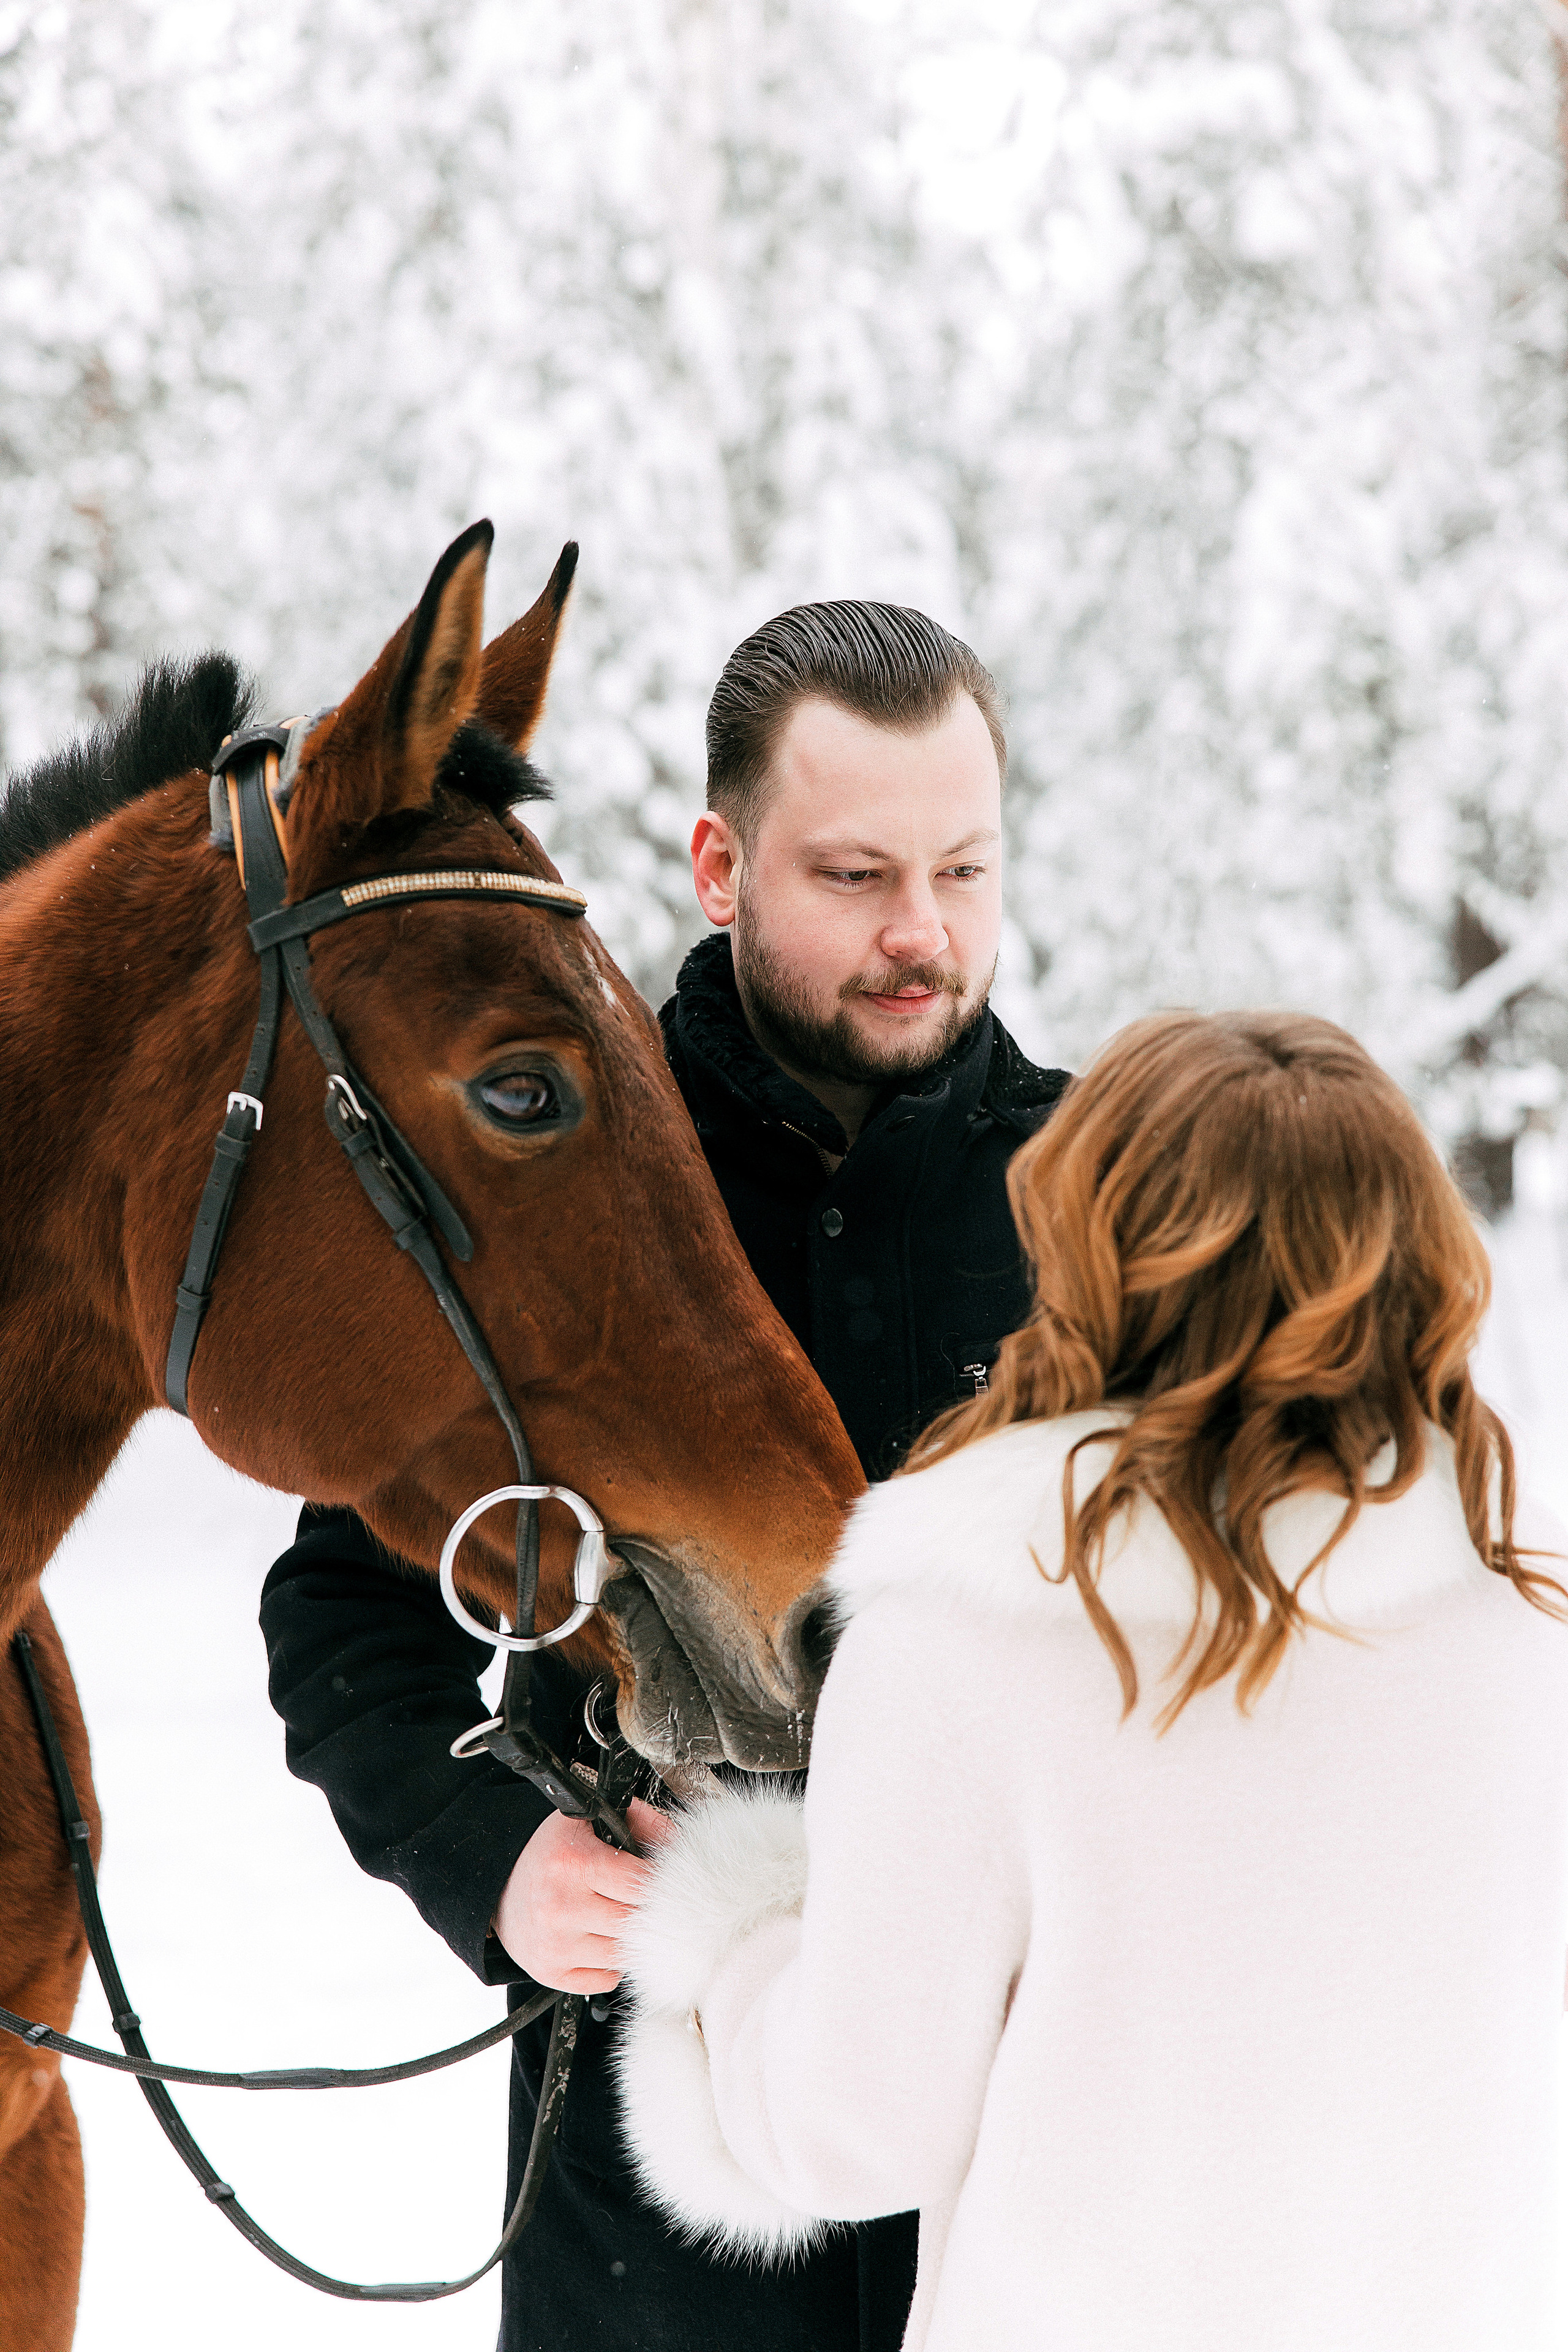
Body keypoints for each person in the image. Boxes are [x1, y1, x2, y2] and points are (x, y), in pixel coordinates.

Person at [258, 598, 1068, 2352]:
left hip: (1037, 2169)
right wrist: (491, 1859)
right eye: (854, 877)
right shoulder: (542, 1172)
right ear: (718, 862)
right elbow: (344, 1609)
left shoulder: (1116, 1205)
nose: (922, 934)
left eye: (964, 871)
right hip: (658, 2196)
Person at [616, 1008, 1568, 2352]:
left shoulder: (961, 1637)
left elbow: (851, 2131)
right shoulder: (1519, 1625)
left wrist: (733, 1933)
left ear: (1081, 1244)